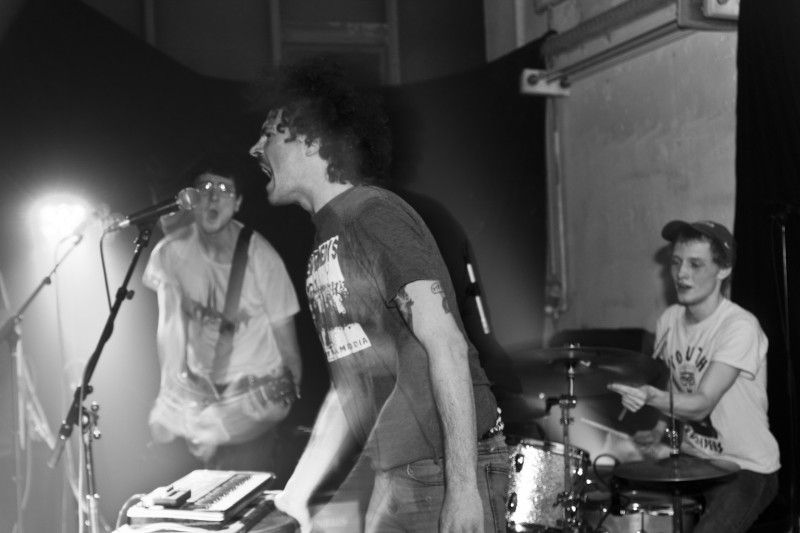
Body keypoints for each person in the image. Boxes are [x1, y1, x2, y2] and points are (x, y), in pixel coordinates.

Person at [248, 61, 508, 533]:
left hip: (440, 473)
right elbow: (350, 385)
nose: (255, 148)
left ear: (311, 139)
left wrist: (462, 489)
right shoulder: (328, 238)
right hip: (403, 478)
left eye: (269, 134)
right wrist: (297, 494)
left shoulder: (372, 216)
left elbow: (447, 344)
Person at [608, 219, 780, 533]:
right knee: (615, 508)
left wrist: (651, 397)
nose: (682, 274)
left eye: (695, 264)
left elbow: (701, 404)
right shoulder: (669, 320)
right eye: (676, 263)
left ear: (723, 269)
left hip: (746, 468)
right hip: (693, 460)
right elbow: (674, 385)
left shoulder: (740, 326)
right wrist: (659, 431)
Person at [142, 152, 302, 471]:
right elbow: (170, 330)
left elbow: (291, 361)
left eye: (225, 190)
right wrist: (171, 397)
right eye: (205, 188)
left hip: (250, 400)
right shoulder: (170, 254)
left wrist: (237, 419)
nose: (214, 197)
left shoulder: (262, 259)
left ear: (238, 203)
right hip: (201, 398)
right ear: (190, 199)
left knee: (240, 490)